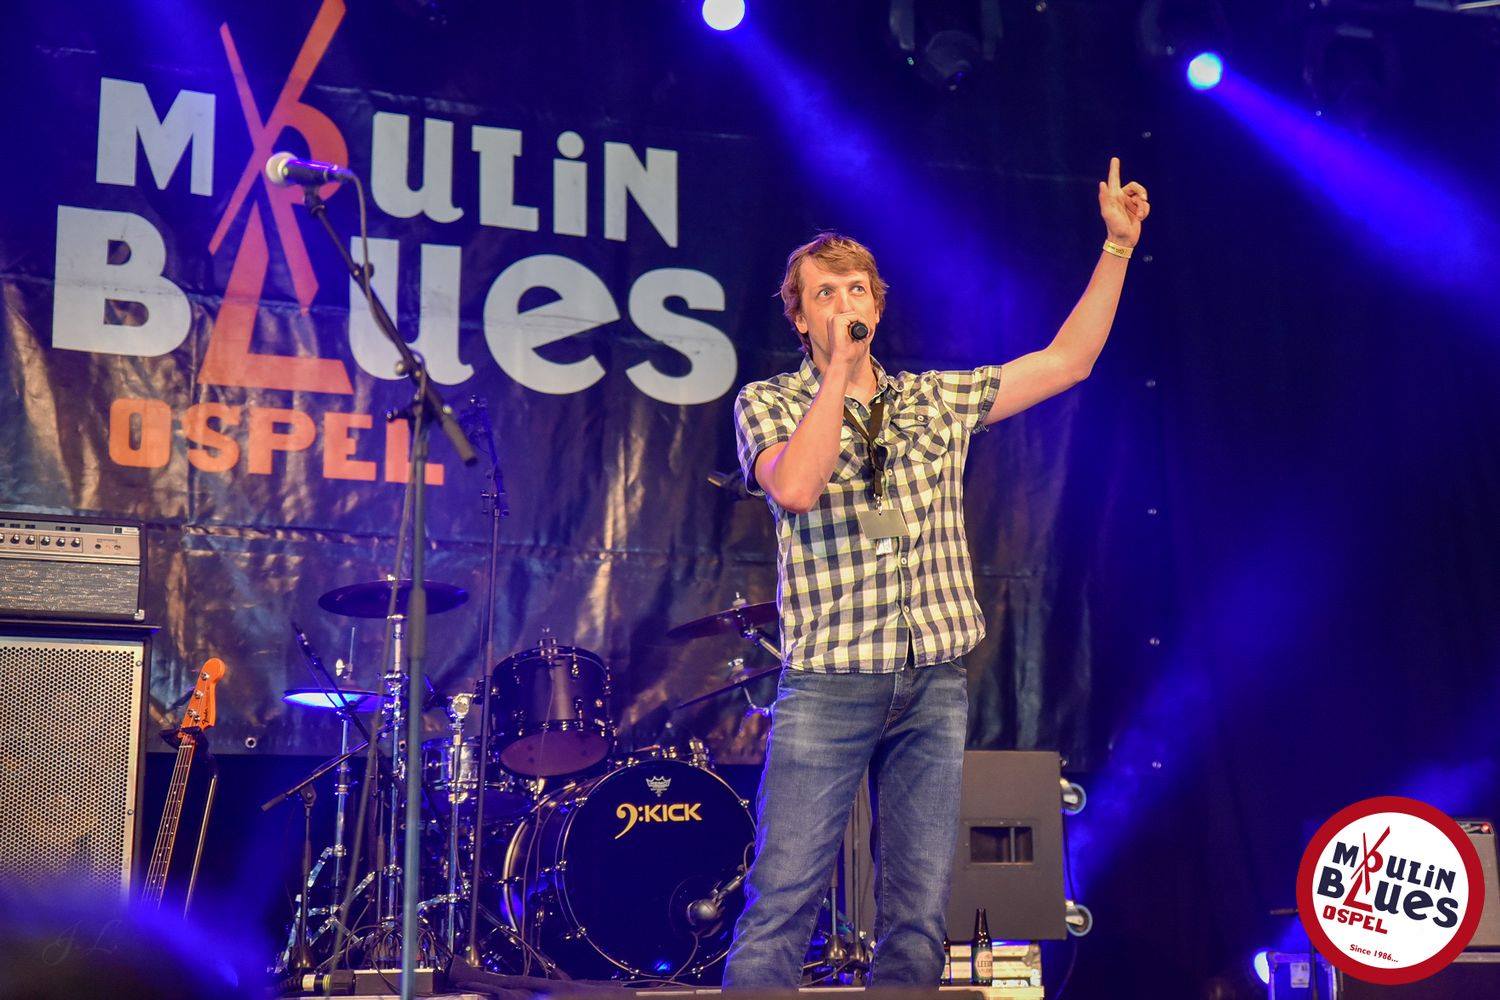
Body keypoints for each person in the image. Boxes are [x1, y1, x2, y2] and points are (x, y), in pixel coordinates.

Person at [723, 158, 1150, 988]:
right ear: (799, 317)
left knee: (918, 916)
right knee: (783, 901)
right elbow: (797, 488)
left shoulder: (933, 400)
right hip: (831, 680)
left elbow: (1067, 361)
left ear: (878, 306)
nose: (843, 304)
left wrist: (1117, 248)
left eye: (856, 290)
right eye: (824, 294)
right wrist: (837, 376)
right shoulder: (768, 402)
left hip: (933, 682)